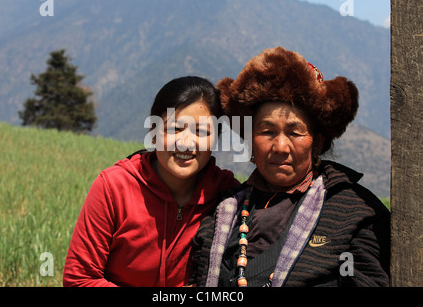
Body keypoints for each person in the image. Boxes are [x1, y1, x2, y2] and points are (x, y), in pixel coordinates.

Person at [189, 47, 390, 287]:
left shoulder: (354, 213)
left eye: (295, 132)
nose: (281, 146)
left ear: (318, 142)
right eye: (267, 131)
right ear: (251, 140)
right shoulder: (223, 210)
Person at [63, 76, 239, 287]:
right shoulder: (113, 188)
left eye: (201, 132)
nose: (186, 143)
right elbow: (79, 279)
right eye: (175, 128)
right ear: (153, 134)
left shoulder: (228, 196)